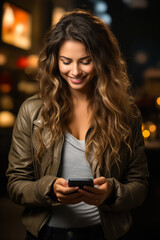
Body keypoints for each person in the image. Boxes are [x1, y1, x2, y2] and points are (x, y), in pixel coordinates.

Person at [6, 9, 149, 240]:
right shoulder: (32, 111)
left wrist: (112, 192)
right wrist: (48, 189)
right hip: (46, 234)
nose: (75, 71)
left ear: (103, 60)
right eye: (66, 61)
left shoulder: (125, 113)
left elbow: (139, 185)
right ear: (54, 60)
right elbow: (15, 184)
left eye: (85, 61)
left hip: (104, 234)